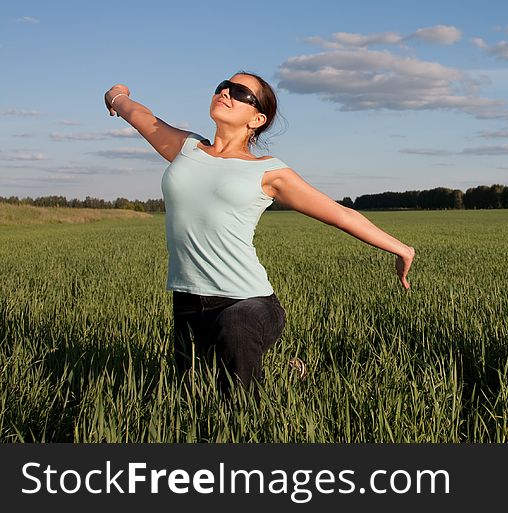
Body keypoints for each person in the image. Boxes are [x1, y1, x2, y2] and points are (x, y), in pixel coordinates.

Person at [103, 72, 415, 398]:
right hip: (188, 300)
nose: (226, 92)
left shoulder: (267, 171)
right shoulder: (186, 149)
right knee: (192, 398)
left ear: (257, 118)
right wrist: (116, 95)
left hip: (248, 303)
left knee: (234, 391)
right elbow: (138, 115)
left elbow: (341, 215)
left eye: (239, 92)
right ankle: (283, 378)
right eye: (223, 86)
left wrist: (402, 249)